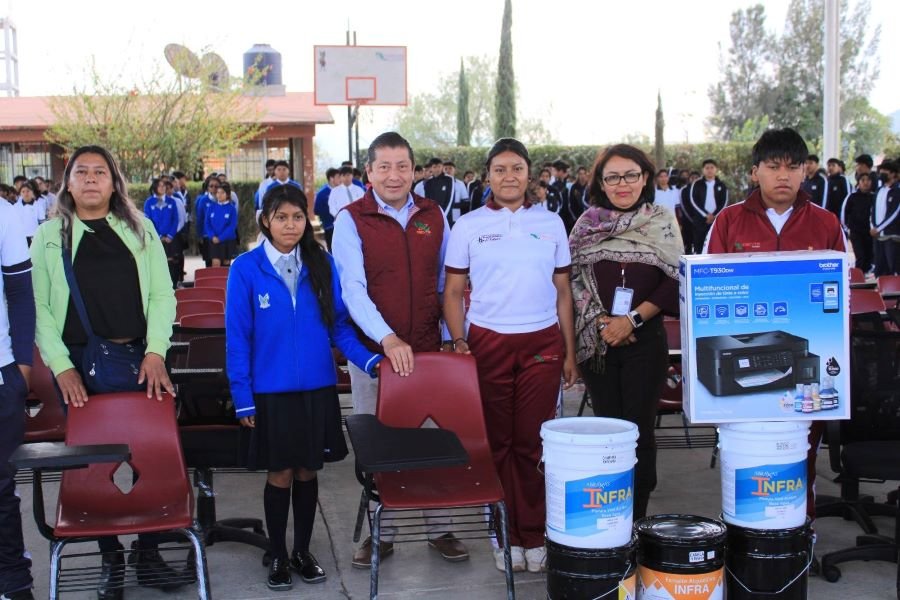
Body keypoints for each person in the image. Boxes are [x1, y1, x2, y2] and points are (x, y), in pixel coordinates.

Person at [30, 145, 177, 599]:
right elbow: (39, 310)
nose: (91, 179)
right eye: (81, 172)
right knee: (95, 465)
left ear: (114, 183)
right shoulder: (50, 236)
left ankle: (148, 553)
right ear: (68, 183)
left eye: (100, 172)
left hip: (141, 363)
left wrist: (155, 352)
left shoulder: (140, 229)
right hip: (79, 368)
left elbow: (161, 296)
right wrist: (61, 367)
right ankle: (110, 557)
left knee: (153, 457)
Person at [226, 184, 383, 591]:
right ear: (266, 220)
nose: (290, 225)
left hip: (316, 389)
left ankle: (302, 550)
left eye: (298, 217)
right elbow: (238, 339)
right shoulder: (245, 268)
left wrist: (369, 361)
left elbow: (340, 328)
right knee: (280, 472)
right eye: (281, 217)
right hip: (269, 393)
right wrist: (243, 398)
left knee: (308, 471)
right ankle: (277, 552)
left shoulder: (322, 264)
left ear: (307, 221)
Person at [331, 131, 468, 569]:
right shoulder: (351, 220)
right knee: (379, 446)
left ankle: (440, 528)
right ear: (368, 172)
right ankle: (381, 532)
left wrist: (453, 335)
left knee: (432, 438)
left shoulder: (433, 214)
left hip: (428, 350)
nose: (394, 175)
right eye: (384, 166)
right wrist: (387, 339)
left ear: (414, 170)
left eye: (402, 166)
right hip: (375, 355)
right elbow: (352, 289)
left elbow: (447, 283)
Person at [443, 137, 578, 575]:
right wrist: (459, 340)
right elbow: (453, 291)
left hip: (541, 342)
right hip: (487, 342)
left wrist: (569, 350)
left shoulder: (552, 224)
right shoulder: (468, 225)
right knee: (497, 443)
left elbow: (563, 293)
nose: (508, 176)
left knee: (531, 443)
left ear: (530, 175)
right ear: (488, 177)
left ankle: (533, 533)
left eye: (516, 168)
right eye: (499, 169)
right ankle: (503, 534)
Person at [704, 128, 846, 529]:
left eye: (793, 166)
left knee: (802, 453)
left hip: (803, 369)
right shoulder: (728, 221)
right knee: (745, 451)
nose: (783, 175)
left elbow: (842, 295)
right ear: (755, 173)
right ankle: (744, 533)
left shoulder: (827, 223)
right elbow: (705, 292)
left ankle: (799, 534)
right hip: (741, 365)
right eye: (772, 166)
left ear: (805, 173)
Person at [568, 144, 682, 523]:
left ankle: (636, 520)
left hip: (645, 342)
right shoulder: (585, 224)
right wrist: (603, 322)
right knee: (607, 429)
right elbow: (572, 279)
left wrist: (630, 320)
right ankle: (609, 516)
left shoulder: (663, 220)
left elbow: (673, 279)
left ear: (645, 177)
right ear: (600, 182)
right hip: (597, 343)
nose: (622, 184)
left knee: (638, 431)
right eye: (612, 177)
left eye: (630, 175)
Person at [0, 196, 36, 600]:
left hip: (2, 374)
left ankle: (14, 580)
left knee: (1, 490)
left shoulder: (4, 214)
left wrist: (22, 364)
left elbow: (20, 294)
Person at [683, 159, 728, 253]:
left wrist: (714, 215)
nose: (709, 170)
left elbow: (724, 202)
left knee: (716, 244)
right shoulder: (697, 184)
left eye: (712, 168)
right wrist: (706, 215)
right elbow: (693, 201)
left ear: (716, 169)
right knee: (699, 246)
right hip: (700, 221)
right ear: (703, 170)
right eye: (707, 168)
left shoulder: (722, 185)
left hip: (717, 220)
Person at [143, 178, 180, 286]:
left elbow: (175, 219)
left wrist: (170, 235)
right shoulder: (149, 202)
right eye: (160, 186)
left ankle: (172, 286)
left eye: (164, 186)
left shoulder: (171, 201)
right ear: (155, 188)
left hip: (170, 238)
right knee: (157, 262)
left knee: (171, 262)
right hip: (155, 238)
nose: (163, 188)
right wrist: (157, 235)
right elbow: (148, 220)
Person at [842, 172, 876, 273]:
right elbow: (844, 213)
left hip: (869, 232)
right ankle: (858, 278)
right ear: (858, 182)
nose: (866, 183)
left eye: (868, 180)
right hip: (856, 232)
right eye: (863, 180)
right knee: (860, 256)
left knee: (869, 256)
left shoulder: (874, 197)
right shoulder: (852, 197)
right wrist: (847, 227)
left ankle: (867, 276)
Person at [871, 160, 900, 277]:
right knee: (879, 269)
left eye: (885, 171)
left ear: (893, 174)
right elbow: (872, 210)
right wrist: (873, 226)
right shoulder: (879, 190)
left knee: (893, 268)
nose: (881, 173)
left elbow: (894, 213)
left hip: (891, 236)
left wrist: (879, 228)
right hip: (877, 236)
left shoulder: (897, 191)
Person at [204, 182, 238, 267]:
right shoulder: (211, 207)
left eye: (222, 193)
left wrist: (221, 238)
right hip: (214, 240)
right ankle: (215, 281)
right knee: (215, 264)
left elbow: (232, 226)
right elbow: (207, 223)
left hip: (227, 241)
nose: (219, 195)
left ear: (227, 194)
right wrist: (212, 236)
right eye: (218, 192)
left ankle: (226, 281)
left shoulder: (231, 208)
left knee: (226, 265)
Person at [313, 168, 340, 250]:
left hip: (343, 226)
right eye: (338, 177)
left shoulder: (343, 191)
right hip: (329, 226)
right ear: (331, 179)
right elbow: (316, 210)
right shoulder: (322, 194)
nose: (340, 179)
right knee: (333, 250)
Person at [15, 180, 44, 246]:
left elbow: (42, 222)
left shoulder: (38, 205)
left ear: (32, 192)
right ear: (20, 193)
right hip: (21, 237)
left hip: (35, 236)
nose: (26, 193)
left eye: (28, 191)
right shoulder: (15, 207)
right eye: (23, 191)